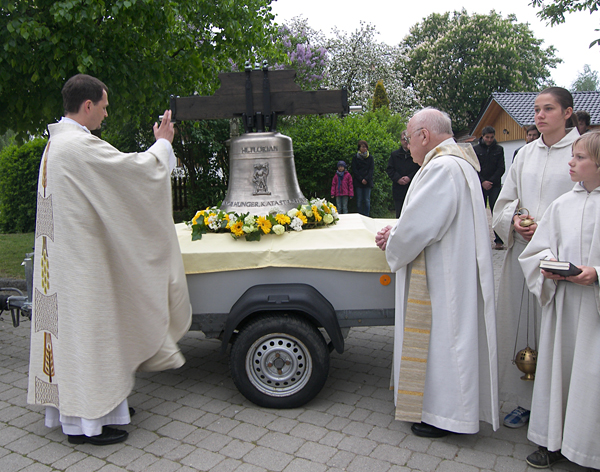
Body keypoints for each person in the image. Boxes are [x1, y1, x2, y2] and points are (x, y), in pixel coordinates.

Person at [27, 74, 192, 446]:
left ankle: (98, 411)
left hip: (70, 262)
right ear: (88, 106)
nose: (105, 113)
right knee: (89, 335)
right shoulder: (76, 147)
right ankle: (85, 426)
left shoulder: (59, 144)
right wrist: (162, 145)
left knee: (88, 335)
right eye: (103, 106)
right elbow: (135, 173)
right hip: (80, 267)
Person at [375, 108, 499, 438]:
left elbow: (421, 227)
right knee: (447, 343)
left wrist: (393, 242)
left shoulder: (442, 167)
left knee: (444, 345)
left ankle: (445, 417)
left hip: (442, 279)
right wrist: (397, 231)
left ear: (424, 136)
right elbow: (422, 218)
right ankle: (442, 412)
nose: (407, 145)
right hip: (447, 269)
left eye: (408, 137)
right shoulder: (455, 164)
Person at [492, 87, 580, 430]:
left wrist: (545, 229)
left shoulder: (581, 151)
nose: (539, 116)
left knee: (556, 332)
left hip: (561, 258)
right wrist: (513, 221)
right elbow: (504, 200)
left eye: (548, 109)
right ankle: (525, 402)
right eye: (536, 110)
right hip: (522, 256)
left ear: (568, 113)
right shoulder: (525, 154)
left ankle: (562, 407)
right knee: (521, 325)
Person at [518, 131, 600, 469]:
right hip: (564, 303)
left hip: (594, 311)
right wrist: (548, 265)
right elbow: (536, 250)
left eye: (580, 158)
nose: (571, 161)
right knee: (559, 372)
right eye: (573, 156)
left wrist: (596, 273)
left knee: (589, 377)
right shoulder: (562, 204)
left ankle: (589, 449)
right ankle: (551, 442)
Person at [473, 126, 505, 249]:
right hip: (480, 184)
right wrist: (482, 181)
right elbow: (474, 167)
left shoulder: (499, 149)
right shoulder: (475, 149)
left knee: (496, 211)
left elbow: (501, 168)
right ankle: (480, 240)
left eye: (492, 137)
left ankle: (499, 240)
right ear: (483, 136)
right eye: (487, 137)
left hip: (494, 184)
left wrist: (490, 181)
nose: (490, 140)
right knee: (479, 212)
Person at [386, 130, 420, 218]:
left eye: (407, 139)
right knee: (399, 213)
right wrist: (398, 179)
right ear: (401, 141)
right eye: (403, 139)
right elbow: (390, 169)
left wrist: (409, 177)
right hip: (398, 189)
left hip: (412, 188)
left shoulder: (416, 154)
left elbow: (419, 169)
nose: (405, 141)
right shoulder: (394, 154)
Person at [351, 140, 374, 216]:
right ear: (359, 148)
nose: (364, 148)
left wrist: (366, 179)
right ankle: (360, 216)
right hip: (358, 182)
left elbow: (371, 170)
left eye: (366, 147)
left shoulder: (370, 158)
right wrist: (361, 179)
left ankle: (366, 215)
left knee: (367, 200)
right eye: (363, 147)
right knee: (359, 201)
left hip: (368, 182)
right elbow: (355, 170)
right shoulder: (355, 158)